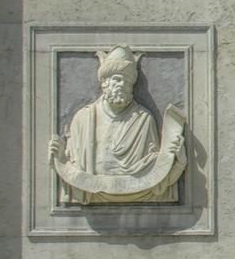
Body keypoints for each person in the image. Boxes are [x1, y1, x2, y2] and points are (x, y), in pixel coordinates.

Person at [49, 45, 182, 203]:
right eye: (117, 79)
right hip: (89, 191)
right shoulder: (82, 119)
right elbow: (73, 164)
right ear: (105, 82)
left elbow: (155, 172)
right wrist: (59, 160)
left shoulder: (144, 119)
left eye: (127, 82)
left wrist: (179, 163)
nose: (122, 85)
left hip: (138, 190)